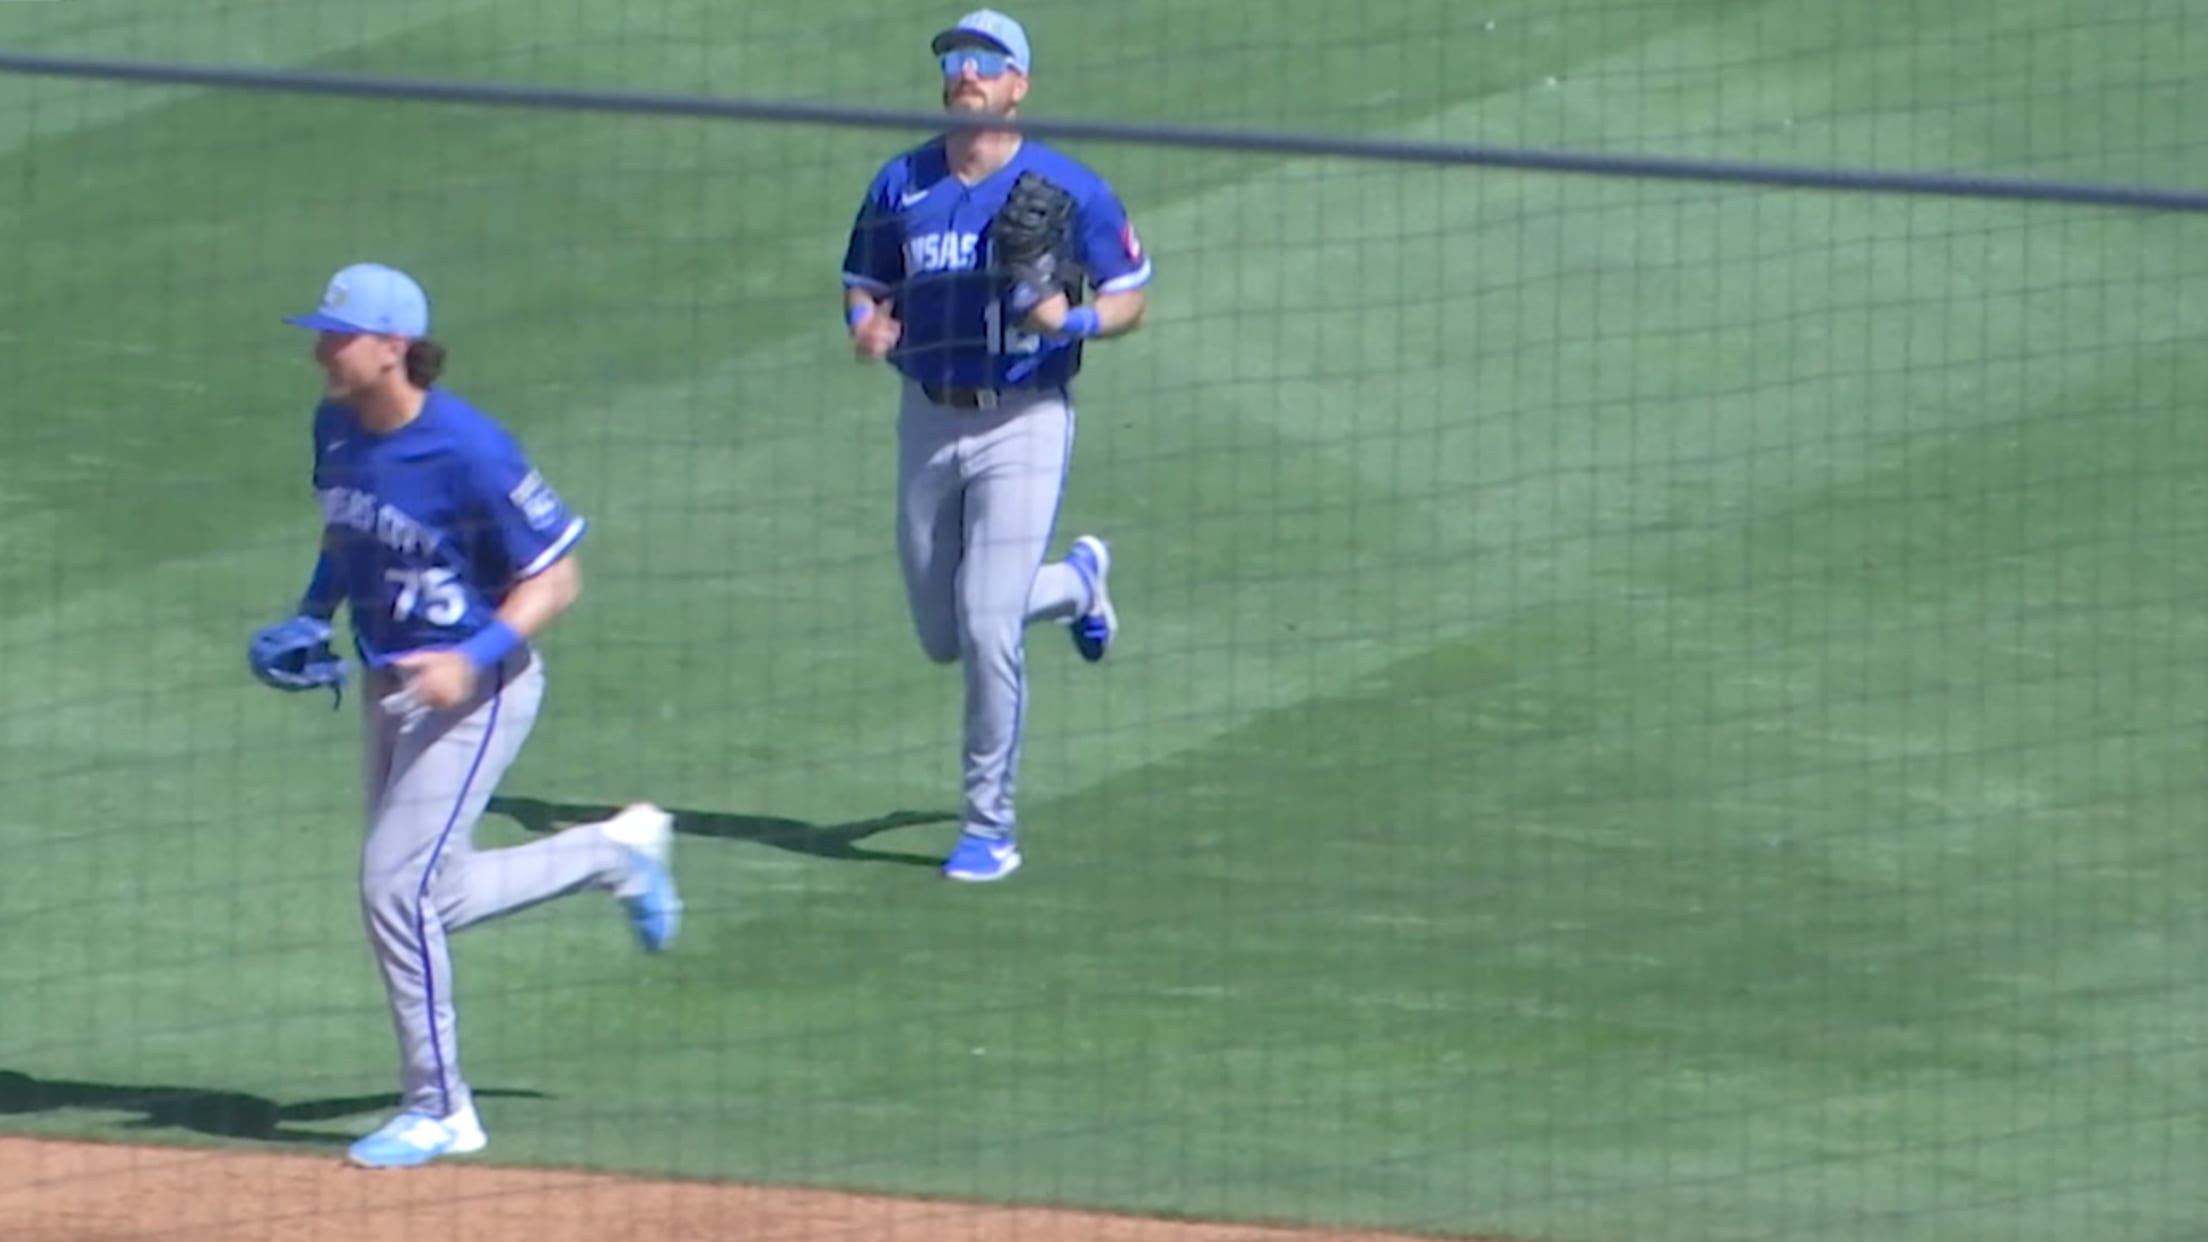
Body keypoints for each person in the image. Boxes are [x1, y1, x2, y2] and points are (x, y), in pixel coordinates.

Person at [246, 262, 684, 1169]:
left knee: (391, 889)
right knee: (433, 895)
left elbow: (556, 577)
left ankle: (441, 1108)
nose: (321, 351)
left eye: (337, 336)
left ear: (393, 347)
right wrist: (311, 614)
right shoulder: (335, 425)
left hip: (483, 690)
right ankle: (612, 856)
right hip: (389, 684)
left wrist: (467, 659)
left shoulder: (471, 450)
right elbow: (346, 529)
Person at [839, 8, 1153, 883]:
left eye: (985, 61)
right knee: (943, 634)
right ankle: (1077, 583)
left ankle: (989, 827)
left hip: (1025, 421)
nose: (966, 73)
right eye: (955, 61)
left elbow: (1131, 293)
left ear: (1019, 84)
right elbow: (864, 281)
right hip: (927, 418)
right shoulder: (901, 183)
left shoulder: (1068, 187)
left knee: (985, 627)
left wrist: (1072, 320)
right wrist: (865, 325)